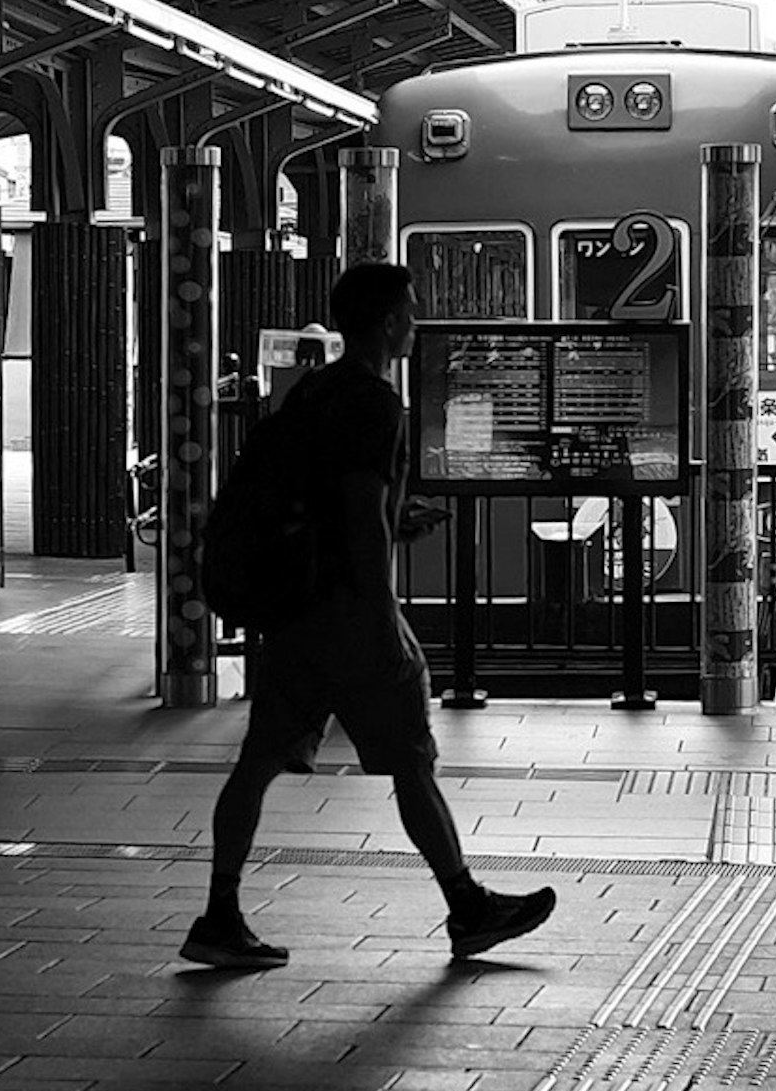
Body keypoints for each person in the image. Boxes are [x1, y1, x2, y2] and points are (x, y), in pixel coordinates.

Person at [184, 262, 558, 969]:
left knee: (257, 762)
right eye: (410, 313)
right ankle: (467, 907)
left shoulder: (316, 390)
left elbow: (330, 499)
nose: (415, 324)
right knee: (412, 758)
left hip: (296, 611)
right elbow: (359, 513)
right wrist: (383, 612)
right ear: (389, 322)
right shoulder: (377, 402)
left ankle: (219, 912)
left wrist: (395, 516)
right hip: (349, 616)